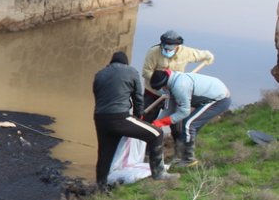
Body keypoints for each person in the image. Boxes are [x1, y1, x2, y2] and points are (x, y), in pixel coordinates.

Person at [93, 51, 174, 189]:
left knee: (104, 154)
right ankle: (158, 173)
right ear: (126, 62)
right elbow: (138, 98)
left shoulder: (99, 74)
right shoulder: (131, 72)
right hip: (120, 117)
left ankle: (100, 187)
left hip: (100, 118)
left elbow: (98, 95)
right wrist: (138, 116)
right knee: (156, 134)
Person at [149, 69, 231, 167]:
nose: (162, 89)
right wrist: (156, 122)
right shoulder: (170, 85)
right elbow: (169, 110)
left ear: (164, 84)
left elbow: (184, 112)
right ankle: (180, 157)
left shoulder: (180, 86)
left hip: (219, 99)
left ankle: (188, 159)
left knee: (189, 124)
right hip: (210, 96)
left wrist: (164, 122)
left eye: (162, 87)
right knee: (189, 126)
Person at [140, 30, 214, 122]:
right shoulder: (153, 52)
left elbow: (202, 55)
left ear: (177, 46)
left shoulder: (186, 52)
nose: (167, 51)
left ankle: (177, 135)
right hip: (154, 92)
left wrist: (208, 56)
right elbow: (146, 72)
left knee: (175, 122)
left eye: (170, 49)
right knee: (145, 119)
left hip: (174, 93)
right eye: (165, 48)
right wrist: (160, 85)